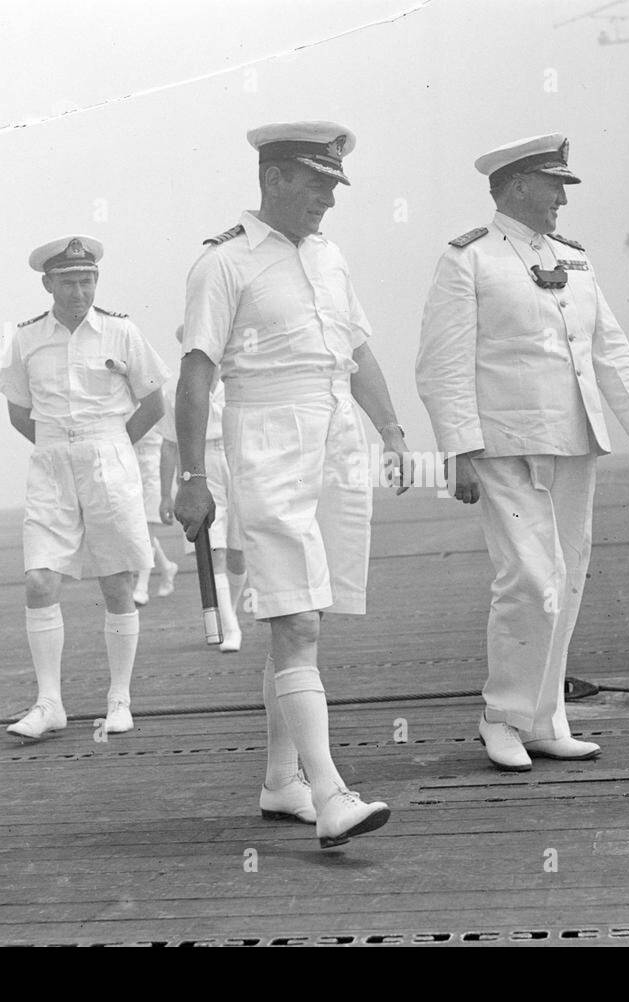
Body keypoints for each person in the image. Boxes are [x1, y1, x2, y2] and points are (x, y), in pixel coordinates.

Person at [174, 121, 408, 848]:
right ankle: (331, 793)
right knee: (295, 619)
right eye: (316, 184)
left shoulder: (329, 257)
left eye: (334, 186)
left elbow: (358, 348)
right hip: (269, 435)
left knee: (309, 611)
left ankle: (282, 780)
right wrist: (190, 474)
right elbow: (195, 374)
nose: (328, 200)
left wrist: (392, 431)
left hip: (336, 434)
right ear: (273, 179)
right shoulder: (223, 264)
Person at [416, 132, 629, 771]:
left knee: (567, 577)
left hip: (574, 438)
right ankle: (502, 717)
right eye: (553, 184)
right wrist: (458, 449)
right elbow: (440, 364)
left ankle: (545, 717)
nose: (561, 197)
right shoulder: (467, 258)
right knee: (529, 580)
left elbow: (606, 345)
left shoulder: (575, 259)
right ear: (516, 185)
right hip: (502, 445)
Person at [0, 234, 170, 738]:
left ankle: (120, 699)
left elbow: (154, 403)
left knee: (115, 580)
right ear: (48, 283)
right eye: (69, 282)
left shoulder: (121, 331)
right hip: (51, 463)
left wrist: (113, 444)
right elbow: (16, 410)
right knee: (38, 580)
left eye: (87, 280)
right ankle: (49, 704)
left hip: (109, 459)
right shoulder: (27, 338)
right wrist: (59, 445)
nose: (79, 291)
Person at [158, 324, 245, 650]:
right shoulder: (175, 392)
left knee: (239, 554)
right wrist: (166, 493)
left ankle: (229, 614)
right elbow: (169, 445)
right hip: (201, 464)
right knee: (216, 550)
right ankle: (232, 629)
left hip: (237, 458)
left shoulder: (235, 382)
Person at [130, 423, 180, 605]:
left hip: (155, 462)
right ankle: (167, 567)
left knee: (146, 527)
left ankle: (141, 587)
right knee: (139, 527)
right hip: (130, 460)